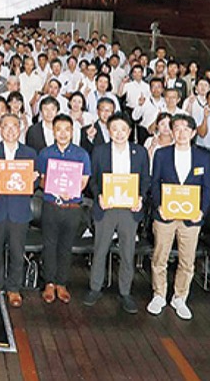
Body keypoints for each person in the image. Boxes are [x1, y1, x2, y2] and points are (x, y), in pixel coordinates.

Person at [146, 114, 210, 320]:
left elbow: (208, 188)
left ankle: (180, 297)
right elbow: (154, 183)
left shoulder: (203, 156)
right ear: (172, 131)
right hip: (165, 215)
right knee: (160, 257)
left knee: (187, 260)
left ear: (193, 133)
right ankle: (159, 295)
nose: (181, 133)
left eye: (186, 129)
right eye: (177, 128)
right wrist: (159, 206)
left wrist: (201, 211)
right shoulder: (162, 154)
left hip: (191, 218)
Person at [84, 113, 148, 314]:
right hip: (106, 207)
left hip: (129, 209)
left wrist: (140, 197)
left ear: (129, 131)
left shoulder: (140, 152)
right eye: (115, 129)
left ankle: (125, 292)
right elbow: (93, 179)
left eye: (123, 129)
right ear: (109, 131)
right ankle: (95, 288)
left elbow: (145, 179)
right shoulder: (100, 151)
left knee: (127, 252)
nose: (119, 133)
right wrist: (99, 195)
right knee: (100, 249)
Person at [0, 113, 38, 308]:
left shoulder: (30, 153)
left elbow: (34, 183)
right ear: (0, 128)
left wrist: (34, 179)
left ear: (20, 128)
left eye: (14, 126)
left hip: (19, 210)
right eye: (6, 126)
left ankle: (14, 288)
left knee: (17, 251)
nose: (11, 130)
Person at [34, 114, 91, 305]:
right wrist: (54, 187)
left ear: (72, 132)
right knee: (49, 245)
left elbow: (84, 180)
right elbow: (41, 179)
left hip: (73, 207)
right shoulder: (45, 153)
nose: (63, 133)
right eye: (59, 130)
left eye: (67, 129)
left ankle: (62, 283)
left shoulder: (81, 154)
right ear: (53, 132)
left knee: (66, 247)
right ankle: (49, 283)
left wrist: (72, 191)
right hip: (51, 206)